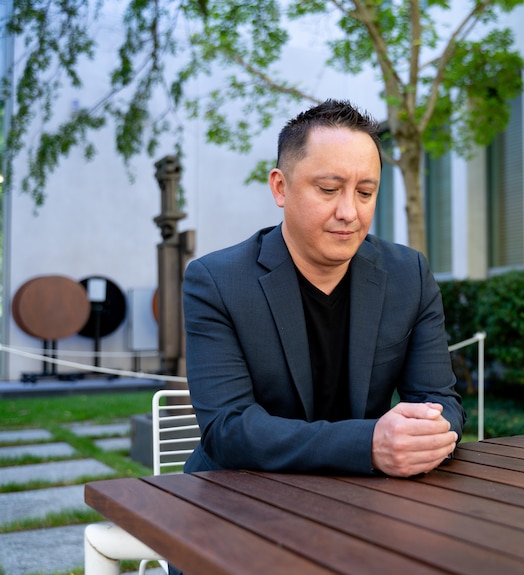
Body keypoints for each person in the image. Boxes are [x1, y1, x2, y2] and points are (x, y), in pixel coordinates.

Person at [181, 99, 465, 480]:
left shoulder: (408, 274)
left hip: (369, 494)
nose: (349, 212)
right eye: (329, 189)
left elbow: (441, 401)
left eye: (365, 193)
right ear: (280, 187)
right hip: (239, 492)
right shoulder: (217, 282)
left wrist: (426, 433)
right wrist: (367, 445)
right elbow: (228, 430)